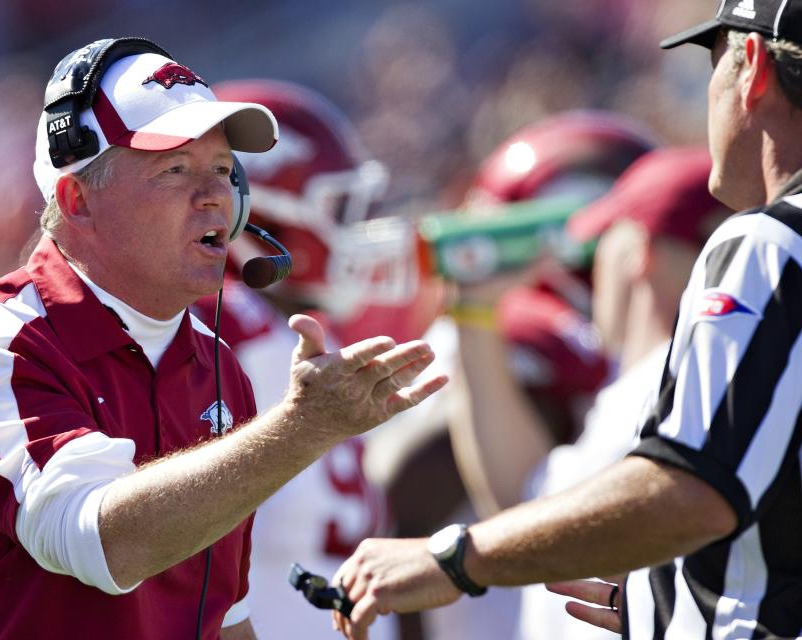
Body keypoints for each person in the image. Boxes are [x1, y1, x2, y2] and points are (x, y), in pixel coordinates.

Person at [0, 39, 446, 640]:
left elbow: (222, 616)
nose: (215, 196)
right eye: (174, 169)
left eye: (224, 171)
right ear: (78, 199)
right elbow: (101, 543)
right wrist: (304, 428)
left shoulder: (218, 364)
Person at [331, 0, 802, 637]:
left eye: (712, 60)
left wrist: (454, 559)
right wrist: (681, 603)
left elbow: (692, 491)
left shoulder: (772, 242)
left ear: (750, 65)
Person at [449, 146, 729, 640]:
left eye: (603, 242)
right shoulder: (734, 370)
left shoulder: (661, 384)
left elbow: (525, 522)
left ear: (638, 253)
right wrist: (474, 318)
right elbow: (531, 496)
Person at [190, 78, 401, 640]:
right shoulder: (229, 328)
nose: (353, 230)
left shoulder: (281, 335)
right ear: (260, 221)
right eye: (336, 207)